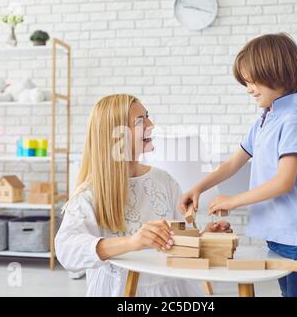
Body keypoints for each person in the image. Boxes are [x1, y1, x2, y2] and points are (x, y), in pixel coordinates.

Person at [181, 33, 297, 297]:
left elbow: (284, 181)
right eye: (246, 82)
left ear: (278, 73)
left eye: (252, 81)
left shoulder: (292, 122)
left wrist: (233, 201)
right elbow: (234, 162)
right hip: (278, 233)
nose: (248, 89)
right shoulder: (264, 121)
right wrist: (198, 187)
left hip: (295, 235)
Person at [55, 94, 231, 296]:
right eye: (140, 121)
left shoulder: (164, 180)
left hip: (171, 289)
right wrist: (132, 242)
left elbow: (179, 240)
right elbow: (67, 251)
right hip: (121, 290)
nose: (151, 124)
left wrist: (204, 238)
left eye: (147, 117)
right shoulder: (89, 194)